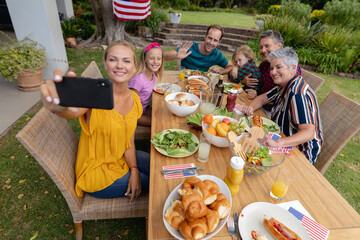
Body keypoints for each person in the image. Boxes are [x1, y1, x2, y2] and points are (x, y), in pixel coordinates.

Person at [40, 40, 150, 203]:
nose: (120, 65)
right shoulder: (94, 94)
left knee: (159, 167)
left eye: (126, 61)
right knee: (152, 180)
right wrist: (57, 106)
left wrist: (133, 169)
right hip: (96, 174)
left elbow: (130, 141)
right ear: (105, 64)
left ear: (135, 67)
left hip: (119, 158)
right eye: (113, 59)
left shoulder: (134, 99)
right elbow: (73, 111)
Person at [239, 47, 323, 164]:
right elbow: (262, 98)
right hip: (280, 137)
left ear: (292, 68)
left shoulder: (297, 94)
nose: (273, 72)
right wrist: (250, 108)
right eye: (272, 68)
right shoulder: (283, 85)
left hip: (299, 153)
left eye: (278, 67)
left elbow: (308, 132)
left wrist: (279, 143)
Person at [242, 30, 302, 101]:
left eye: (267, 46)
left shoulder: (290, 68)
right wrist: (245, 80)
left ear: (279, 46)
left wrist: (258, 97)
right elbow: (254, 79)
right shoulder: (265, 64)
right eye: (261, 47)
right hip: (257, 101)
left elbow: (284, 101)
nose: (263, 50)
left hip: (269, 109)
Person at [164, 24, 233, 74]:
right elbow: (164, 56)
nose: (211, 43)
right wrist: (176, 56)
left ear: (219, 42)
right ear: (205, 36)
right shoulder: (190, 47)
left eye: (215, 40)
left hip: (201, 85)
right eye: (210, 38)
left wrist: (220, 71)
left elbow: (231, 67)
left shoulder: (217, 54)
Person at [128, 42, 164, 127]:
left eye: (159, 58)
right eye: (151, 58)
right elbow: (129, 103)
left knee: (164, 115)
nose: (155, 62)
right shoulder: (139, 80)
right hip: (133, 114)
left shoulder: (153, 75)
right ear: (144, 59)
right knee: (158, 123)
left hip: (144, 109)